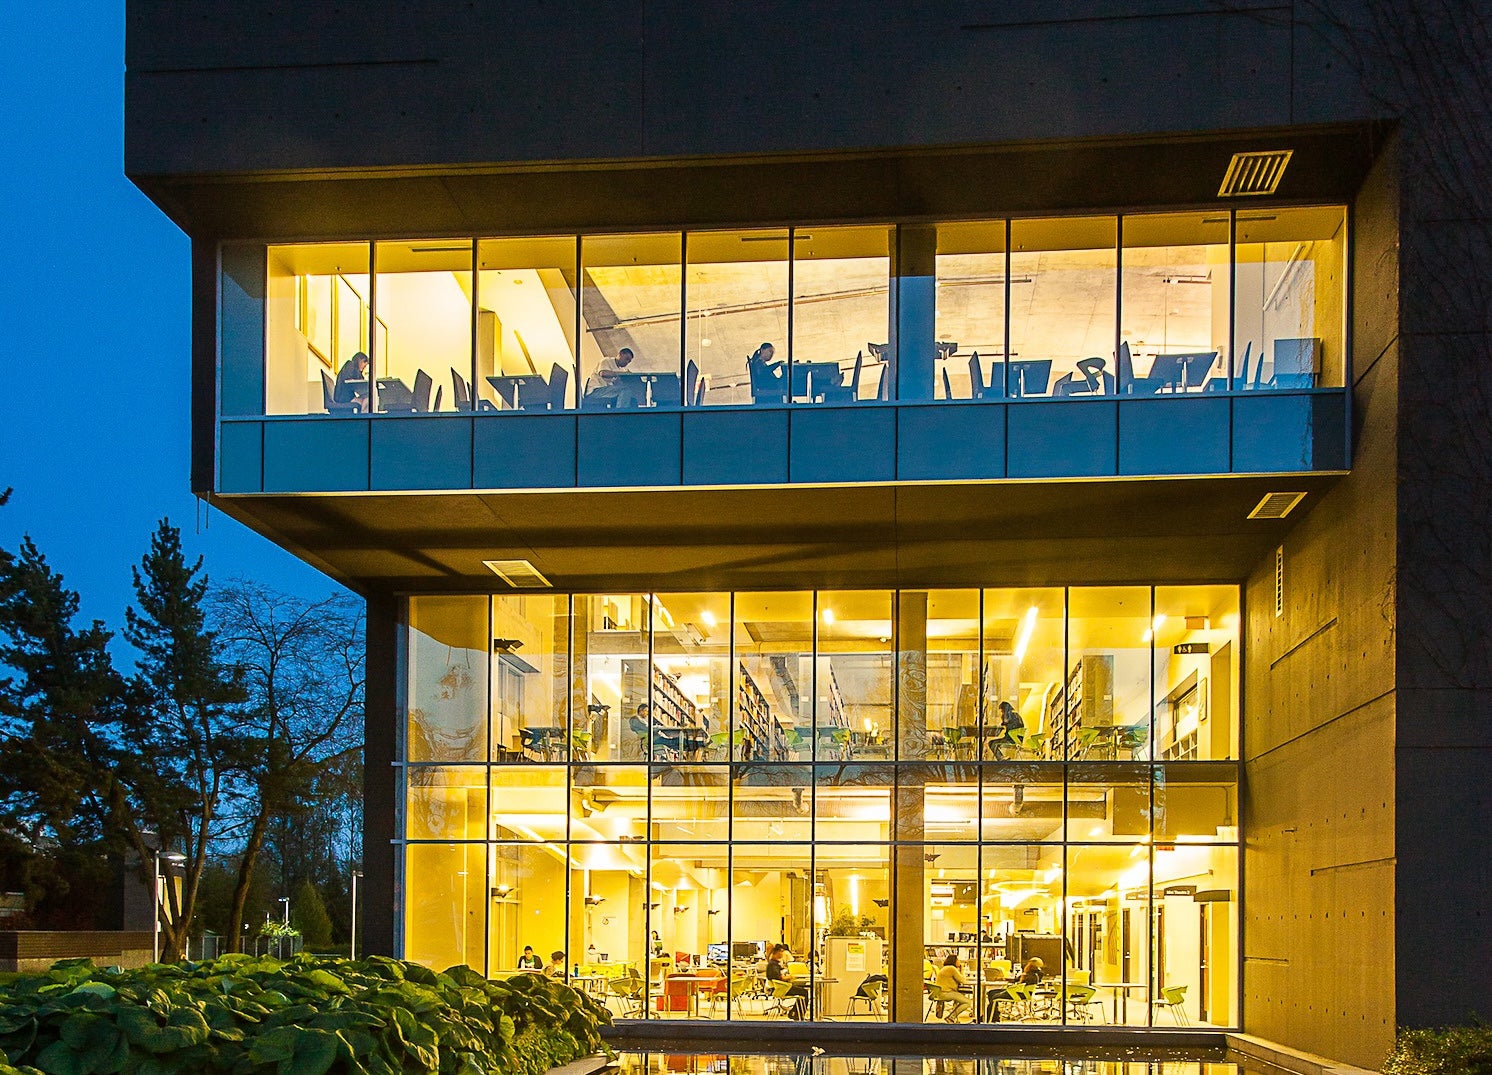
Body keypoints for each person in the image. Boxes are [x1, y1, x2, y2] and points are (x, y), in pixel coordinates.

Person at [984, 957, 1044, 1022]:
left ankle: (990, 1018)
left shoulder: (1030, 975)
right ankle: (994, 1016)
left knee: (994, 997)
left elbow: (1019, 982)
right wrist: (1003, 978)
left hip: (1018, 994)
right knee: (991, 992)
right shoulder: (1032, 974)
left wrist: (1021, 978)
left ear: (1031, 966)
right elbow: (1015, 980)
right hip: (1018, 992)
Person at [765, 944, 808, 1019]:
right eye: (781, 952)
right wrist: (789, 977)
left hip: (779, 987)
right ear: (776, 952)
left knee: (801, 990)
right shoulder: (773, 965)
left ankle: (795, 1013)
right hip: (781, 988)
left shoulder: (773, 964)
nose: (782, 953)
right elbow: (779, 978)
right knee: (805, 992)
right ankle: (796, 1014)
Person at [933, 953, 972, 1023]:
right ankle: (951, 1017)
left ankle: (954, 1018)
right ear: (954, 961)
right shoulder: (952, 968)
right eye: (958, 960)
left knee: (960, 997)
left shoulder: (946, 968)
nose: (959, 961)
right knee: (968, 1002)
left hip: (941, 992)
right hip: (946, 993)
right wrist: (962, 969)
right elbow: (963, 980)